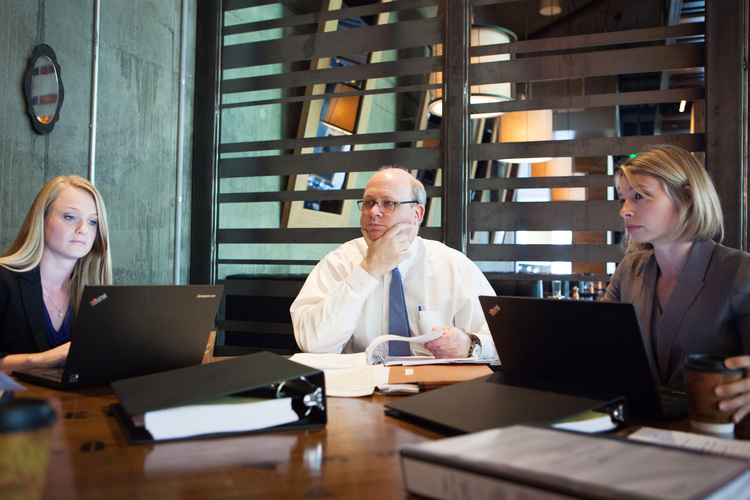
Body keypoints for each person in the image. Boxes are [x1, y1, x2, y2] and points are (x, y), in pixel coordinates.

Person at [600, 144, 750, 423]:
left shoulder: (740, 272)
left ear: (687, 196)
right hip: (640, 429)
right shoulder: (628, 270)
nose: (625, 211)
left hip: (718, 435)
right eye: (623, 199)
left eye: (640, 196)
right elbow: (595, 342)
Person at [291, 167, 497, 359]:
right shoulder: (339, 263)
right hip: (363, 387)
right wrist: (369, 269)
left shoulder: (453, 266)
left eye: (388, 203)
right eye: (369, 202)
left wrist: (471, 344)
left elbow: (501, 337)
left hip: (438, 388)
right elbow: (313, 343)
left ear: (417, 214)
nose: (373, 212)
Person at [0, 175, 112, 373]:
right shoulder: (4, 280)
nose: (83, 229)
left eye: (93, 222)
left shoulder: (97, 294)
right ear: (42, 219)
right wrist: (40, 360)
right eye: (70, 217)